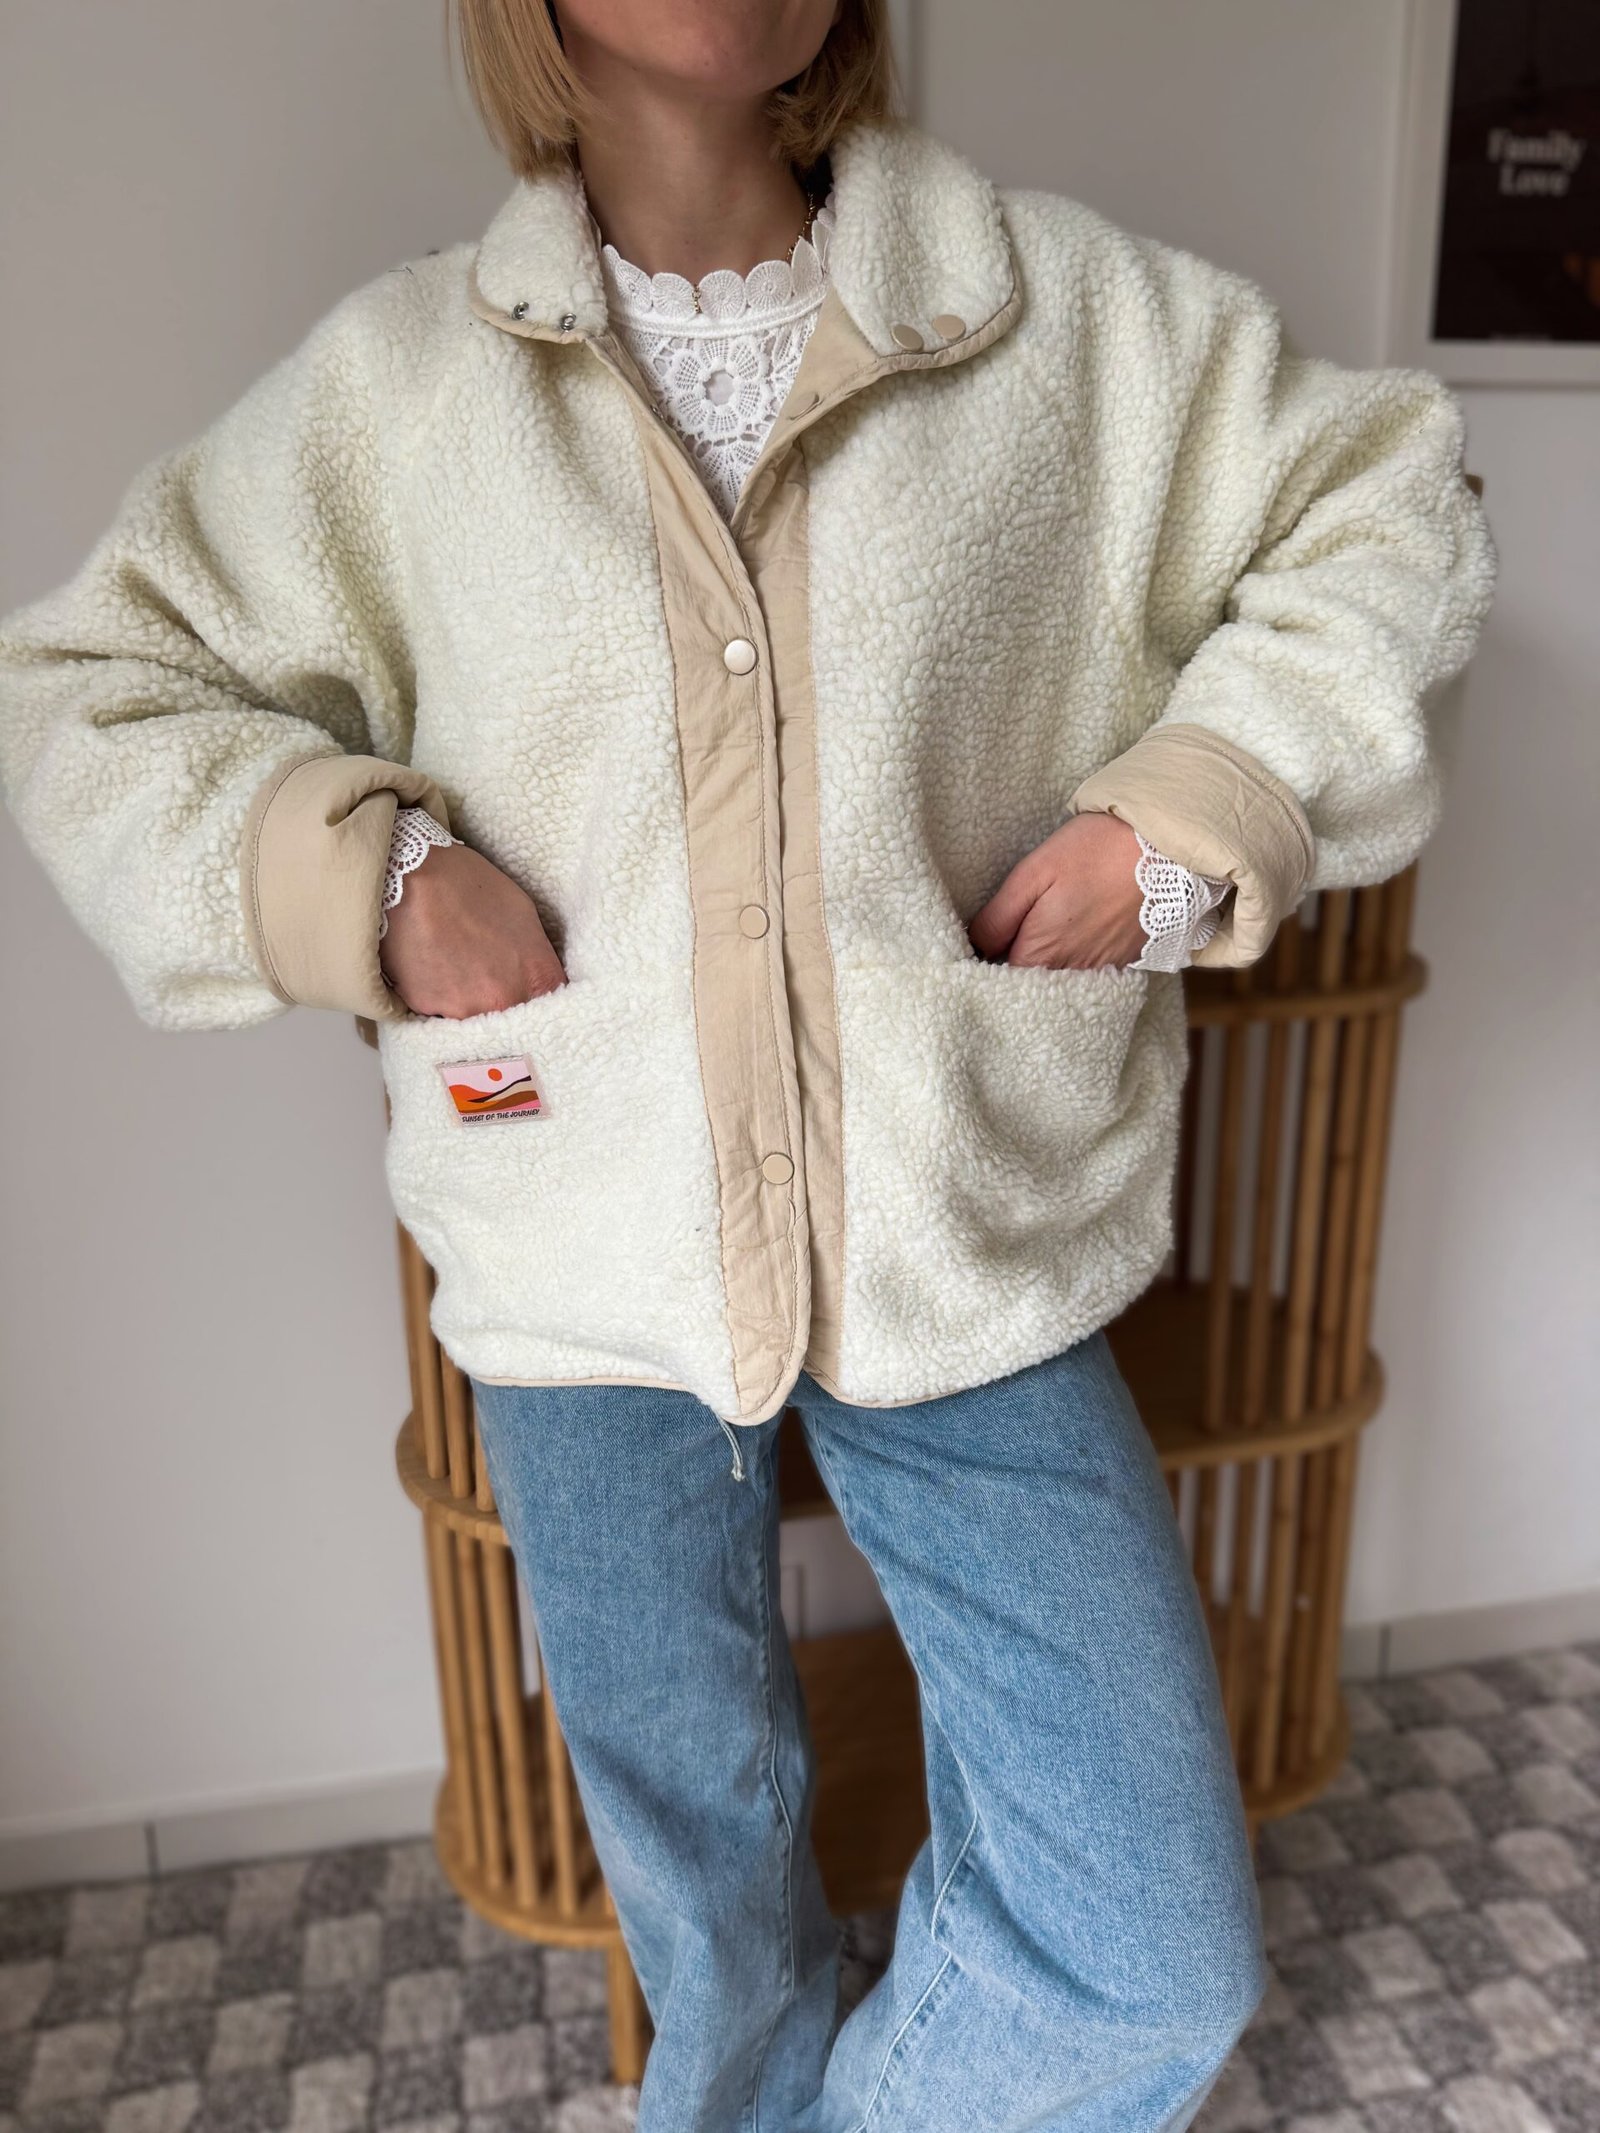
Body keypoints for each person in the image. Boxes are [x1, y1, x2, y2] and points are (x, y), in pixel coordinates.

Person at [0, 3, 1496, 2128]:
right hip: (576, 1237)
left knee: (1147, 1947)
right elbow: (91, 687)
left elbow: (1393, 497)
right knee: (710, 1941)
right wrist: (380, 876)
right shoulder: (402, 390)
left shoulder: (1056, 318)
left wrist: (1178, 825)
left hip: (953, 1221)